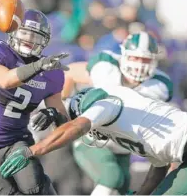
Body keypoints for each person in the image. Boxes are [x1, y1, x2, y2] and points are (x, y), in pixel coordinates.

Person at [0, 86, 187, 195]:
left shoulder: (107, 106)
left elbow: (77, 125)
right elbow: (158, 165)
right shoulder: (124, 122)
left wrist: (33, 150)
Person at [0, 9, 70, 195]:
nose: (29, 39)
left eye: (36, 36)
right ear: (13, 31)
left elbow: (64, 124)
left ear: (44, 41)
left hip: (17, 141)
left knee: (36, 188)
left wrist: (53, 114)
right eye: (25, 32)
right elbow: (6, 81)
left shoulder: (51, 73)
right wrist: (38, 66)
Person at [61, 31, 173, 195]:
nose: (140, 65)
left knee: (121, 189)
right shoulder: (106, 67)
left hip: (122, 148)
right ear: (124, 55)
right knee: (111, 178)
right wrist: (62, 110)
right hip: (92, 140)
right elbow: (69, 72)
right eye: (136, 58)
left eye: (146, 59)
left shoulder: (158, 86)